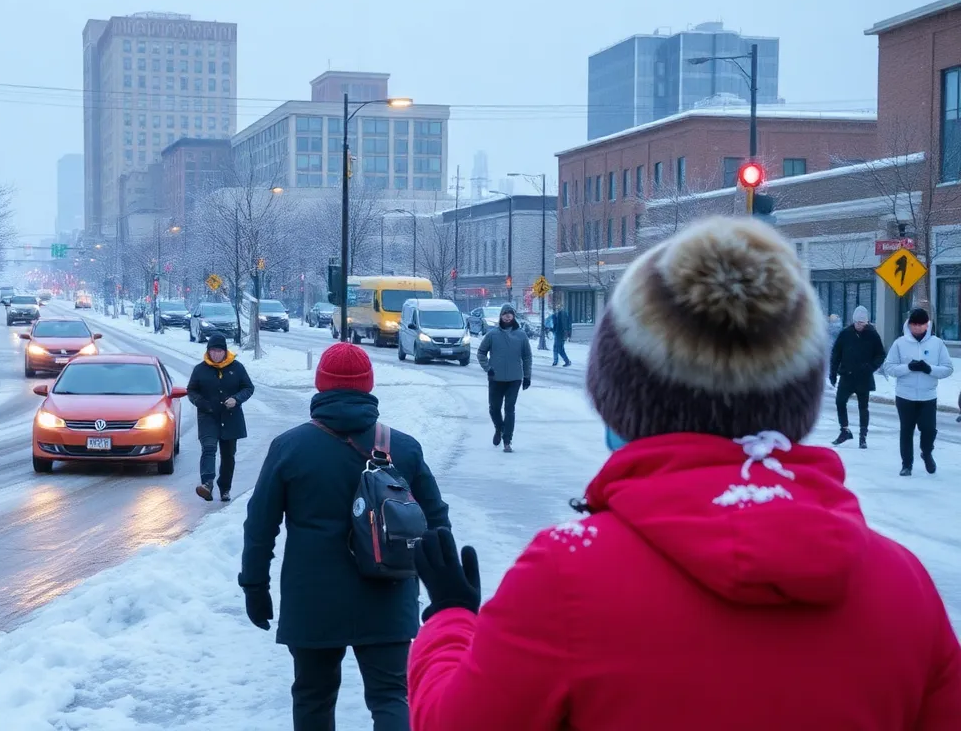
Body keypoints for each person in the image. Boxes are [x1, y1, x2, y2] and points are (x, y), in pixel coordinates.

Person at [405, 218, 961, 731]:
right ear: (798, 400)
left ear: (622, 404)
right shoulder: (903, 586)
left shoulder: (565, 577)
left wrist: (451, 623)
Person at [240, 342, 450, 731]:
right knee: (391, 696)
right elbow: (436, 522)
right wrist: (445, 590)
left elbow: (260, 525)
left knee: (313, 697)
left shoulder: (290, 447)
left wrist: (255, 585)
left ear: (321, 385)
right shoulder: (402, 447)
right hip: (389, 592)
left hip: (313, 597)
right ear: (368, 386)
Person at [884, 307, 953, 476]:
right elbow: (889, 367)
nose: (917, 328)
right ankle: (907, 464)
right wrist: (908, 367)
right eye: (914, 324)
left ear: (927, 325)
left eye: (921, 324)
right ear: (909, 324)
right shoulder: (900, 343)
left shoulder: (937, 343)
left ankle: (927, 452)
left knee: (929, 429)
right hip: (905, 395)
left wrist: (929, 369)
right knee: (906, 430)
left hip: (928, 395)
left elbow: (948, 368)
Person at [187, 334, 254, 501]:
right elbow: (191, 390)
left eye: (219, 351)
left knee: (228, 455)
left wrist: (236, 399)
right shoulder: (200, 369)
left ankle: (225, 488)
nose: (216, 354)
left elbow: (248, 387)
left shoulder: (237, 368)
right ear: (208, 351)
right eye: (212, 351)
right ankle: (207, 484)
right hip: (208, 416)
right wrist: (201, 402)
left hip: (231, 417)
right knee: (208, 448)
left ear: (225, 351)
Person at [476, 302, 531, 452]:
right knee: (494, 408)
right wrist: (488, 368)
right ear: (501, 316)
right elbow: (481, 353)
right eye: (505, 313)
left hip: (514, 378)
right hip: (496, 378)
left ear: (513, 316)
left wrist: (527, 376)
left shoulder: (521, 335)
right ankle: (499, 428)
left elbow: (527, 357)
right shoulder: (492, 334)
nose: (507, 316)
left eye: (510, 313)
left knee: (509, 408)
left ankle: (507, 441)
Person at [829, 305, 885, 448]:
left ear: (867, 322)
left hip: (864, 377)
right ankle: (844, 430)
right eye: (857, 322)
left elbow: (880, 354)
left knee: (863, 407)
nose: (860, 325)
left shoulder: (873, 335)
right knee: (840, 402)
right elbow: (836, 354)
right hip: (847, 375)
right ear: (853, 321)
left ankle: (863, 436)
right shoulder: (845, 334)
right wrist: (833, 374)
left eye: (863, 322)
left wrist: (871, 367)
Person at [546, 303, 572, 367]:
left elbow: (567, 325)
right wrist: (551, 329)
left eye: (558, 308)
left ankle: (567, 361)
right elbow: (556, 326)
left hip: (561, 334)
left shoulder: (563, 315)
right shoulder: (555, 316)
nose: (556, 309)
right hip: (557, 334)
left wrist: (567, 334)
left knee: (559, 349)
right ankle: (555, 361)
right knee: (556, 348)